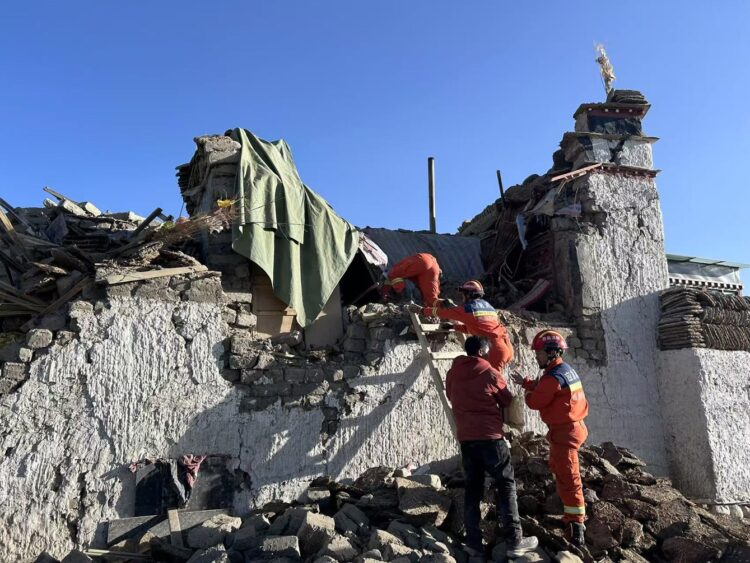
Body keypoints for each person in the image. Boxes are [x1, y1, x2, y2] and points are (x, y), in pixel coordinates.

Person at [447, 336, 539, 558]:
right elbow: (507, 400)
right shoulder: (490, 373)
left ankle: (473, 542)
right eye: (487, 351)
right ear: (480, 352)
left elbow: (451, 396)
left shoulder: (453, 373)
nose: (490, 355)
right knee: (506, 484)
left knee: (473, 489)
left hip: (467, 439)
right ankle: (515, 540)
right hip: (491, 439)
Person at [511, 330, 589, 546]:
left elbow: (536, 401)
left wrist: (526, 393)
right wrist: (527, 382)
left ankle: (576, 527)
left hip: (566, 434)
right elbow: (547, 388)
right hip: (570, 428)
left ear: (552, 352)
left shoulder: (553, 377)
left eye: (539, 353)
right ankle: (571, 517)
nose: (537, 356)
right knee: (560, 469)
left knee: (569, 478)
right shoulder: (563, 370)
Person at [417, 280, 513, 371]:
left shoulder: (468, 309)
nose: (462, 297)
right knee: (488, 382)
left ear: (468, 294)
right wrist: (454, 327)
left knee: (490, 385)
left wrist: (422, 311)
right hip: (506, 347)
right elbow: (477, 328)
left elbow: (442, 312)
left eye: (463, 294)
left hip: (494, 350)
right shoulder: (488, 307)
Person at [380, 253, 445, 307]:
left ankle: (406, 299)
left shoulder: (392, 272)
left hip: (423, 259)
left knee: (393, 275)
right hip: (433, 266)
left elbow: (391, 277)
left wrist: (384, 294)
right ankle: (449, 306)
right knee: (431, 298)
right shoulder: (431, 276)